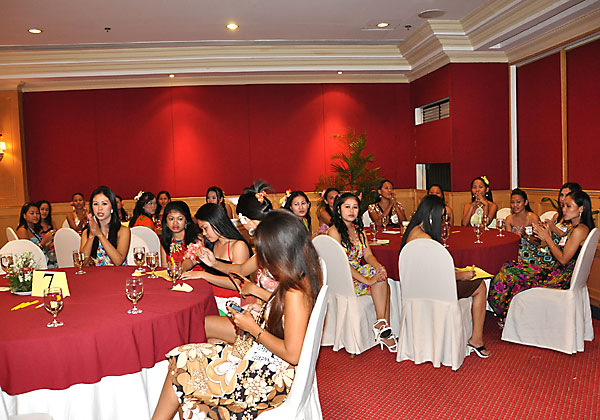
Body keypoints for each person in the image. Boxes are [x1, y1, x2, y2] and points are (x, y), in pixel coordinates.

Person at [152, 210, 323, 420]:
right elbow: (288, 319)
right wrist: (262, 312)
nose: (264, 259)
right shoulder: (302, 275)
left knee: (182, 362)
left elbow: (293, 354)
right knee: (186, 355)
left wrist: (254, 328)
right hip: (267, 360)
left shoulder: (295, 291)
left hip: (267, 378)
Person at [401, 194, 491, 358]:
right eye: (441, 216)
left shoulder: (412, 232)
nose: (443, 221)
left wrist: (455, 271)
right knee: (480, 286)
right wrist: (461, 275)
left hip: (417, 288)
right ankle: (477, 339)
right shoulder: (426, 240)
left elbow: (429, 268)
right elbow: (437, 274)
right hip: (434, 290)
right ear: (431, 215)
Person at [488, 190, 594, 327]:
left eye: (569, 206)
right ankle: (510, 315)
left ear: (581, 209)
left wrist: (547, 238)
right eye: (563, 206)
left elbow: (563, 260)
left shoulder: (580, 230)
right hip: (555, 269)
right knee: (509, 266)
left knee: (509, 272)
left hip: (560, 276)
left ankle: (507, 314)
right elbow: (564, 246)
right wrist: (549, 233)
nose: (564, 210)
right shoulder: (574, 227)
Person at [328, 193, 396, 352]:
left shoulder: (359, 230)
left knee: (381, 277)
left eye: (355, 207)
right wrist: (368, 280)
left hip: (357, 270)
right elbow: (342, 263)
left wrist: (379, 267)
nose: (351, 211)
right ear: (339, 209)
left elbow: (368, 255)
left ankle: (382, 325)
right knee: (380, 283)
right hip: (343, 276)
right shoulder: (334, 231)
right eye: (347, 207)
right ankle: (383, 327)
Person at [199, 180, 276, 302]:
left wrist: (254, 290)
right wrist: (214, 263)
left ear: (244, 219)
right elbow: (241, 270)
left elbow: (291, 298)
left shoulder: (276, 245)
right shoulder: (266, 244)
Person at [181, 203, 252, 291]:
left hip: (230, 295)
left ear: (216, 223)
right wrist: (182, 269)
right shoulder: (210, 243)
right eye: (202, 229)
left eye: (205, 228)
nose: (204, 233)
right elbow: (191, 260)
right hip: (209, 291)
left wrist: (203, 275)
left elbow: (235, 284)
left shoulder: (238, 246)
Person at [80, 186, 131, 266]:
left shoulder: (123, 231)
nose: (99, 208)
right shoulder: (86, 233)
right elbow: (82, 263)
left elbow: (118, 261)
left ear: (112, 207)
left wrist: (99, 234)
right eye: (96, 204)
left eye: (104, 204)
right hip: (97, 273)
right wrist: (91, 236)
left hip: (119, 273)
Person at [159, 201, 202, 271]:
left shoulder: (196, 240)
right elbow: (165, 268)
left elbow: (191, 262)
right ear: (166, 221)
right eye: (171, 219)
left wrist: (180, 270)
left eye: (180, 219)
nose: (175, 222)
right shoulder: (165, 241)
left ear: (186, 220)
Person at [16, 202, 57, 268]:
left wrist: (50, 242)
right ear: (24, 215)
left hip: (44, 259)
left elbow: (43, 249)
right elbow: (29, 254)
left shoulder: (35, 229)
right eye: (32, 213)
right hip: (36, 265)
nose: (35, 216)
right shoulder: (23, 230)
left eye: (37, 213)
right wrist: (44, 240)